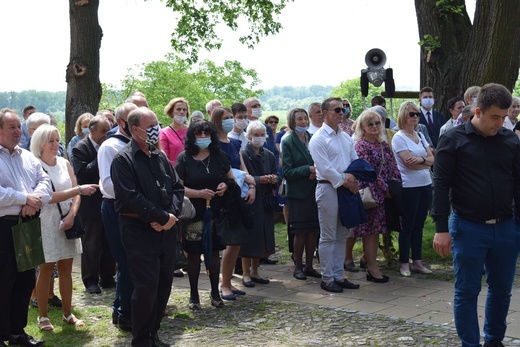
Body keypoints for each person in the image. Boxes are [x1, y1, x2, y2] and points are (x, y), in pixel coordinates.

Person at [432, 83, 520, 347]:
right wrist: (441, 228)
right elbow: (440, 184)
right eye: (495, 117)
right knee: (467, 291)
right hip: (468, 227)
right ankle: (470, 344)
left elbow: (518, 184)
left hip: (506, 227)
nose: (500, 122)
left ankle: (494, 340)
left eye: (503, 117)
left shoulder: (510, 140)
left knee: (502, 290)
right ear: (478, 111)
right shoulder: (453, 139)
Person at [112, 107, 183, 347]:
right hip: (138, 231)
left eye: (157, 124)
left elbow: (177, 187)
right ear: (135, 130)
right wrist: (159, 217)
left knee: (164, 284)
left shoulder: (159, 156)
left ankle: (153, 334)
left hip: (166, 231)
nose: (156, 130)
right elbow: (131, 196)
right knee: (146, 287)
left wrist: (169, 216)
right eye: (150, 126)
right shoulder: (123, 160)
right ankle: (141, 340)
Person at [30, 124, 98, 331]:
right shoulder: (34, 165)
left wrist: (72, 214)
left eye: (57, 140)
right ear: (40, 143)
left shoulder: (64, 163)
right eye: (50, 140)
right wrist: (77, 191)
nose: (55, 144)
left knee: (66, 269)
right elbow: (45, 198)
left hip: (67, 219)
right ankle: (43, 316)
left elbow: (75, 192)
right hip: (45, 221)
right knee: (46, 268)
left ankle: (67, 313)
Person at [0, 108, 51, 347]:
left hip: (28, 224)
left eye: (19, 126)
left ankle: (16, 332)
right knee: (4, 281)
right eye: (12, 127)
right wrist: (24, 198)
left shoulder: (27, 156)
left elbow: (45, 181)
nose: (18, 131)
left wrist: (35, 200)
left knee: (25, 280)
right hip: (3, 226)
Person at [174, 120, 233, 309]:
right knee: (193, 254)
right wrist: (198, 193)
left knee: (214, 252)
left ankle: (215, 293)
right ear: (192, 136)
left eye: (206, 134)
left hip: (215, 212)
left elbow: (231, 179)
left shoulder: (220, 156)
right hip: (193, 214)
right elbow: (177, 188)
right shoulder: (184, 158)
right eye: (199, 134)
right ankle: (194, 295)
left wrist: (226, 186)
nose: (203, 137)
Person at [308, 97, 360, 293]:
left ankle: (338, 275)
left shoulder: (345, 137)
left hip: (345, 188)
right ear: (325, 113)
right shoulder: (319, 138)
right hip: (328, 188)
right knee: (329, 235)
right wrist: (346, 181)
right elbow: (325, 168)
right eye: (337, 110)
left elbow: (354, 160)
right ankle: (327, 277)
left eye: (343, 110)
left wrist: (353, 179)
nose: (341, 113)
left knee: (342, 234)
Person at [98, 102, 137, 331]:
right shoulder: (110, 147)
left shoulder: (139, 145)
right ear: (121, 122)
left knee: (130, 261)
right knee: (125, 260)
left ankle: (120, 307)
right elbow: (107, 185)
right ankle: (125, 314)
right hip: (116, 208)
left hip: (132, 208)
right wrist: (136, 194)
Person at [209, 107, 256, 300]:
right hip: (224, 197)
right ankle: (224, 284)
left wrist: (251, 187)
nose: (230, 121)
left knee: (237, 241)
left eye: (231, 117)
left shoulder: (235, 143)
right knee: (229, 242)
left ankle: (228, 281)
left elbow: (244, 171)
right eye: (225, 118)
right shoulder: (212, 145)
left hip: (239, 194)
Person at [352, 110, 401, 283]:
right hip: (371, 193)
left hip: (385, 193)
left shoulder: (383, 144)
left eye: (377, 123)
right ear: (362, 127)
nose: (374, 127)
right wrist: (385, 188)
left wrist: (395, 183)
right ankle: (372, 268)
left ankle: (369, 261)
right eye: (370, 124)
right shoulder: (360, 145)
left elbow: (392, 166)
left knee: (378, 230)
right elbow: (368, 171)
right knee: (371, 231)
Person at [71, 115, 115, 294]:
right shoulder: (80, 148)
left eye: (108, 131)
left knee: (108, 241)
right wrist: (101, 157)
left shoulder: (109, 147)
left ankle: (107, 277)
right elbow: (82, 174)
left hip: (107, 201)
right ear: (92, 130)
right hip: (90, 204)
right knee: (91, 243)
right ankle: (90, 280)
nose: (106, 135)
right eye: (103, 131)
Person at [392, 101, 434, 277]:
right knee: (407, 225)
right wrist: (425, 161)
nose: (415, 117)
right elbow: (408, 164)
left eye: (417, 114)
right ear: (403, 116)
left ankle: (417, 260)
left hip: (425, 184)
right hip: (409, 186)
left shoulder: (420, 135)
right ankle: (404, 263)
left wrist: (422, 161)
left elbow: (433, 159)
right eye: (411, 114)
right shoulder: (399, 137)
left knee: (419, 224)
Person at [281, 108, 321, 280]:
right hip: (298, 193)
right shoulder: (288, 141)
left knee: (313, 230)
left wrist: (316, 171)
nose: (304, 122)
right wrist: (308, 170)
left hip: (314, 190)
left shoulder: (312, 138)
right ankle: (298, 265)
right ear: (292, 121)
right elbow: (288, 171)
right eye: (299, 119)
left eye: (305, 118)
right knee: (300, 231)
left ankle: (310, 266)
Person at [239, 120, 279, 285]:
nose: (259, 138)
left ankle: (255, 271)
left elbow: (277, 174)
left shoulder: (268, 154)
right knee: (249, 237)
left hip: (265, 200)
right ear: (249, 136)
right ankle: (245, 273)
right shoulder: (243, 153)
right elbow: (241, 176)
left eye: (262, 135)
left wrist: (273, 178)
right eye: (256, 135)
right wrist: (259, 179)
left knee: (262, 236)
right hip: (250, 198)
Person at [160, 97, 190, 166]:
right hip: (175, 171)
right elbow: (164, 157)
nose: (182, 112)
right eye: (178, 109)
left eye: (184, 110)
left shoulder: (192, 131)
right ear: (171, 112)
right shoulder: (164, 133)